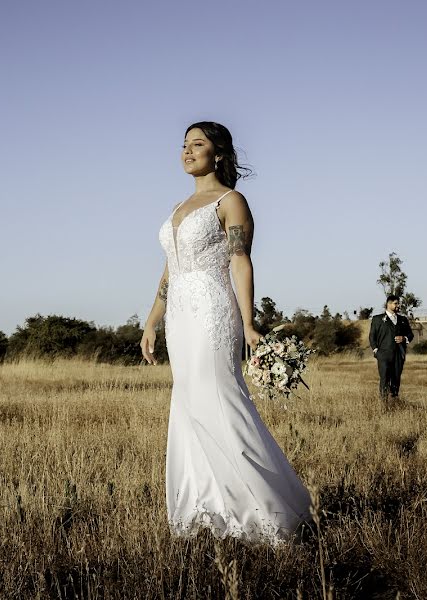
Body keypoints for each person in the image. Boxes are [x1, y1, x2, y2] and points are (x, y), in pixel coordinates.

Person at [139, 121, 311, 545]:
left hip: (212, 311)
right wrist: (152, 320)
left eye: (198, 144)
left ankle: (265, 511)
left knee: (220, 400)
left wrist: (250, 324)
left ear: (218, 153)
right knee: (189, 407)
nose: (187, 151)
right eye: (184, 145)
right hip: (179, 317)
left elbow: (240, 261)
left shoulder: (231, 200)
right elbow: (170, 269)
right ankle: (207, 510)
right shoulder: (179, 207)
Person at [369, 295, 414, 404]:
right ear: (388, 304)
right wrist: (376, 351)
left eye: (398, 303)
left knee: (396, 378)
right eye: (396, 303)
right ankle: (383, 403)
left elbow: (410, 335)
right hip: (383, 354)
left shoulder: (403, 320)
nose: (398, 305)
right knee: (384, 378)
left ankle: (394, 401)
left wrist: (404, 338)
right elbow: (372, 337)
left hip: (398, 354)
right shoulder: (377, 319)